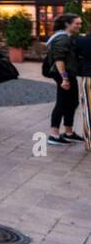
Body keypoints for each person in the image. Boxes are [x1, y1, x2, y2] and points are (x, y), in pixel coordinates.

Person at [46, 13, 84, 146]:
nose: (80, 25)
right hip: (63, 74)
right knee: (62, 103)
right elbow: (59, 59)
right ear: (67, 24)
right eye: (77, 23)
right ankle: (53, 135)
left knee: (72, 102)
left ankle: (68, 133)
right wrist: (64, 78)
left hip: (68, 73)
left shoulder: (66, 37)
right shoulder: (62, 38)